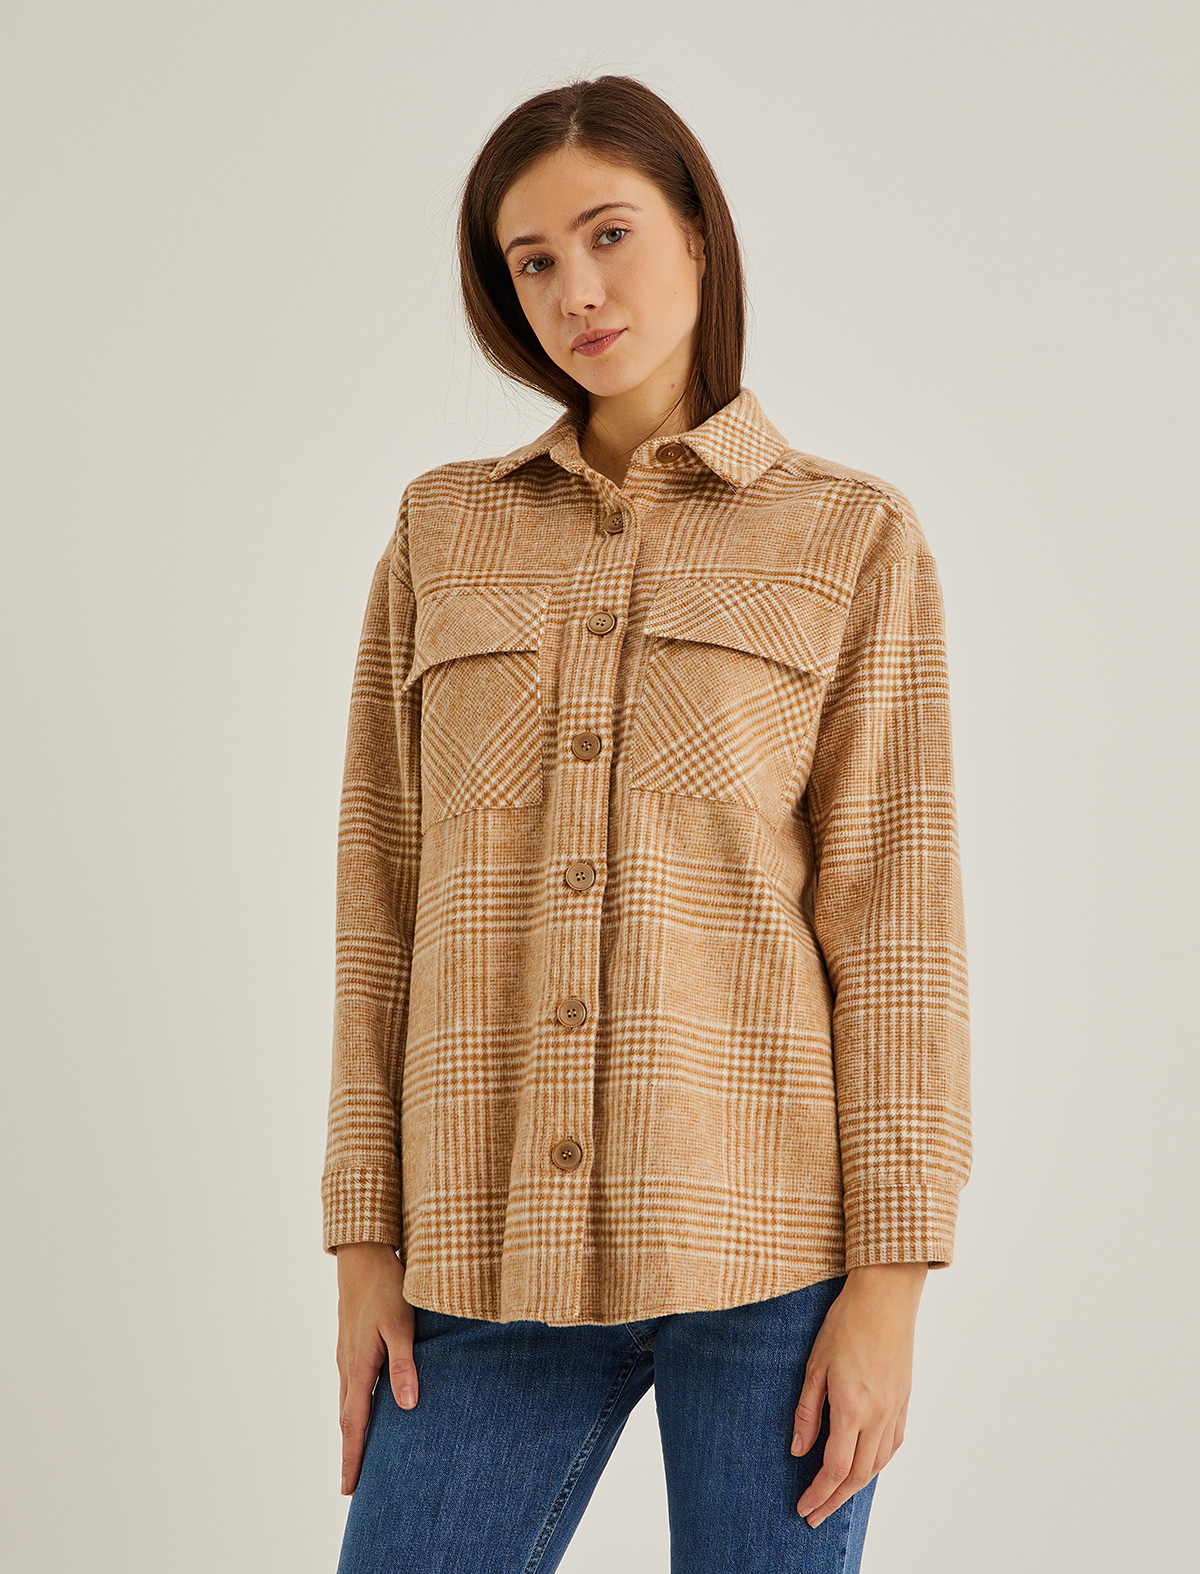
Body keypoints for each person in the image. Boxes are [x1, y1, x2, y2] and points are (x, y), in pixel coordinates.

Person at [321, 74, 972, 1574]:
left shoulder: (851, 537)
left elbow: (896, 923)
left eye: (608, 234)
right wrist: (363, 1239)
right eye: (533, 260)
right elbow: (379, 897)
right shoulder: (441, 530)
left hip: (773, 1251)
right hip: (482, 1241)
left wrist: (891, 1283)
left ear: (696, 233)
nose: (577, 291)